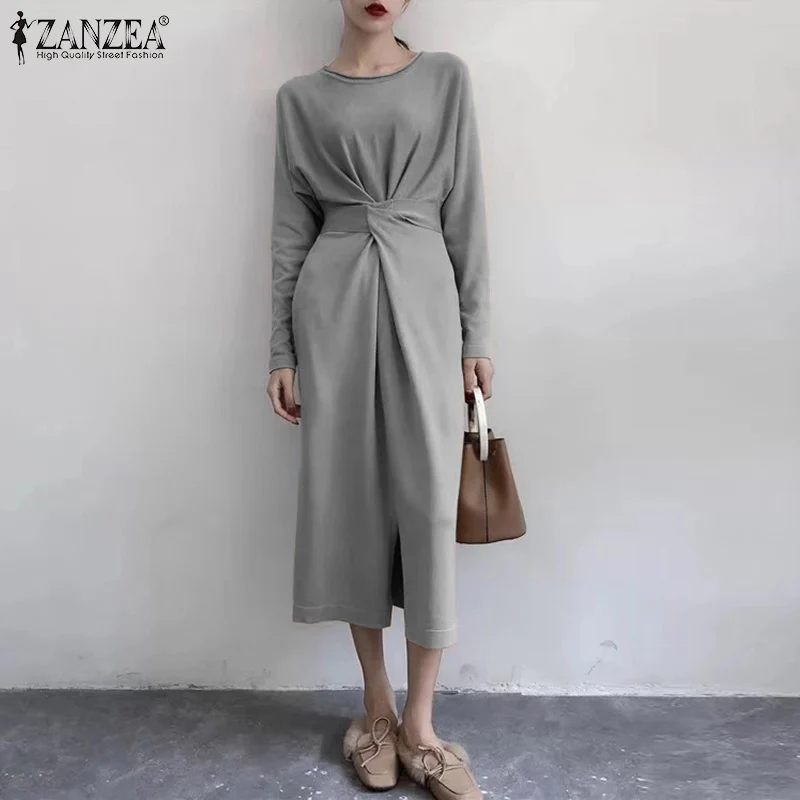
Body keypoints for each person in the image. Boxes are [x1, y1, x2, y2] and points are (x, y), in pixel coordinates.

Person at [266, 1, 493, 797]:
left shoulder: (446, 79)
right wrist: (280, 349)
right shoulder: (300, 99)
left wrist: (476, 335)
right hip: (332, 305)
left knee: (428, 505)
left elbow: (467, 214)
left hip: (425, 296)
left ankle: (423, 724)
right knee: (353, 505)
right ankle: (377, 712)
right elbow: (289, 232)